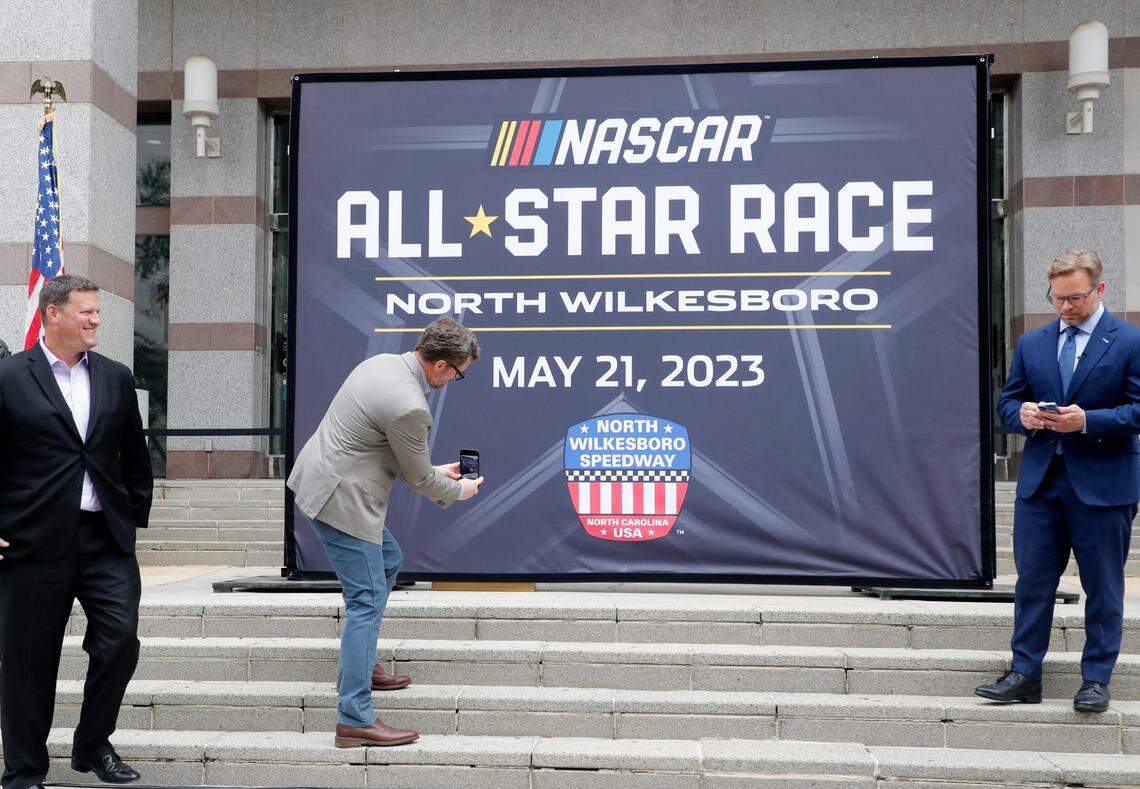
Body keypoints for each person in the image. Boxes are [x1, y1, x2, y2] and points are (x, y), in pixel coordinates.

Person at [288, 316, 484, 747]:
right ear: (440, 365)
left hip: (323, 481)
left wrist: (433, 470)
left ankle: (363, 664)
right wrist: (461, 490)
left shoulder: (382, 363)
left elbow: (386, 448)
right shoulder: (411, 405)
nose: (454, 380)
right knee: (367, 598)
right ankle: (354, 718)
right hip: (341, 500)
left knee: (389, 560)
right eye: (458, 373)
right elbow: (419, 480)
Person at [0, 275, 153, 788]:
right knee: (28, 661)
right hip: (31, 542)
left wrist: (130, 518)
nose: (95, 320)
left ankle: (92, 745)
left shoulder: (115, 376)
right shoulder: (9, 377)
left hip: (104, 539)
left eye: (97, 311)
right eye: (86, 311)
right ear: (53, 313)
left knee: (120, 640)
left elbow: (134, 455)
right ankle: (24, 771)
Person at [977, 250, 1140, 714]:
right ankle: (1024, 674)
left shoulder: (1130, 341)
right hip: (1040, 485)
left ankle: (1096, 680)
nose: (1065, 307)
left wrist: (1087, 421)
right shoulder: (1033, 343)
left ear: (1099, 289)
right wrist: (1023, 415)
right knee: (1032, 583)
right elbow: (1007, 403)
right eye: (1057, 298)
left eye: (1075, 298)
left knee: (1103, 586)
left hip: (1104, 486)